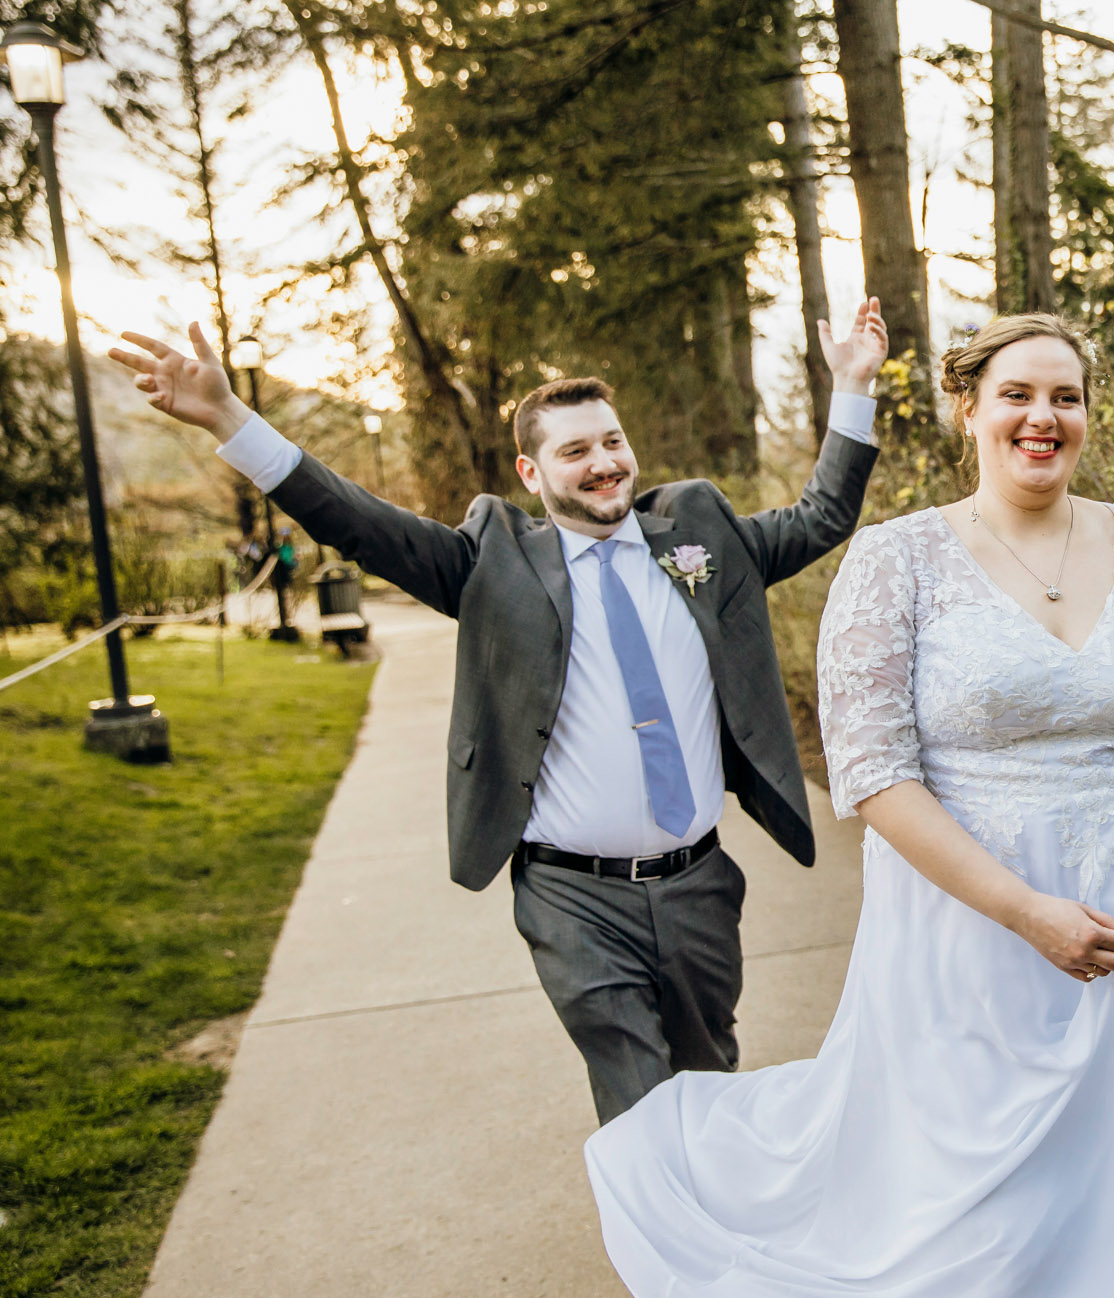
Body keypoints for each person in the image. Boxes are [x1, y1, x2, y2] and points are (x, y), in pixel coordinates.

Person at [584, 313, 1114, 1298]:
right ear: (968, 409)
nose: (1042, 417)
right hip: (975, 911)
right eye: (1016, 395)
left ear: (1086, 414)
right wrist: (1024, 910)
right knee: (990, 1168)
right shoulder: (898, 560)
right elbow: (875, 775)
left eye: (1064, 397)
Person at [109, 302, 891, 1124]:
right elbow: (355, 520)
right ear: (530, 472)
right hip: (572, 897)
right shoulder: (493, 564)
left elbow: (822, 517)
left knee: (710, 1081)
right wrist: (232, 418)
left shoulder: (699, 540)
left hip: (700, 886)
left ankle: (719, 1235)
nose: (604, 464)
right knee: (642, 1101)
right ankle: (673, 1246)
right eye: (576, 450)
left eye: (612, 441)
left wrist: (851, 384)